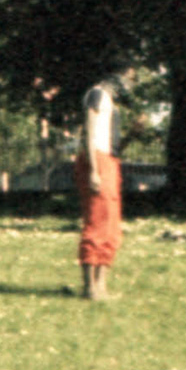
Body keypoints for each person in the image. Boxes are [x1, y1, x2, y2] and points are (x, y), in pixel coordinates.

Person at [75, 84, 124, 303]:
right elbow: (89, 131)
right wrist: (94, 170)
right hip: (97, 160)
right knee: (97, 221)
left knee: (111, 225)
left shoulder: (111, 102)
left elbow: (112, 144)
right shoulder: (96, 94)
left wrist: (133, 134)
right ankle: (89, 287)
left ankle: (101, 285)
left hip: (110, 161)